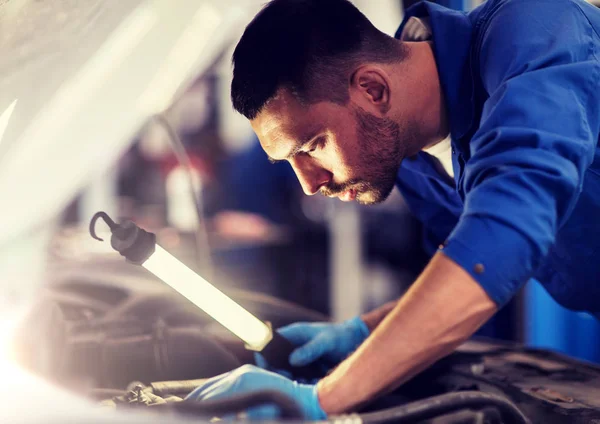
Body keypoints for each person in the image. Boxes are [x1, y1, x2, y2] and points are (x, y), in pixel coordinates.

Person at [186, 0, 600, 419]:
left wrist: (323, 400)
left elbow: (500, 244)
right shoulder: (415, 157)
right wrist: (366, 332)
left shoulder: (537, 32)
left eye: (312, 147)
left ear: (373, 89)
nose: (309, 185)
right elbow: (464, 277)